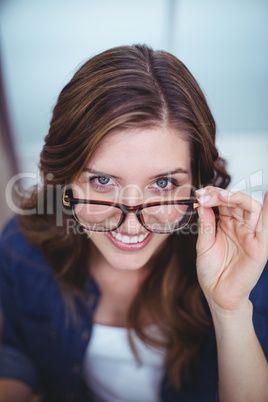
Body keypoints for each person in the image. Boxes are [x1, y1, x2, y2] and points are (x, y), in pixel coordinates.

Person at [0, 44, 267, 402]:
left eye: (163, 183)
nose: (130, 223)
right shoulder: (22, 246)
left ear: (197, 185)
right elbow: (18, 350)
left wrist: (229, 309)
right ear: (65, 179)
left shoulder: (245, 266)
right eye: (103, 181)